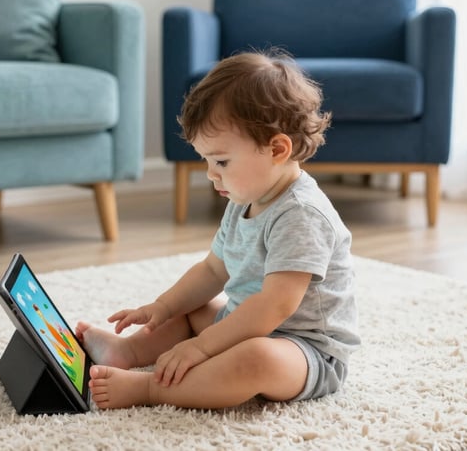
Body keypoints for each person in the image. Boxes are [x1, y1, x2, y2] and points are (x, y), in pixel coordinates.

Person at [75, 50, 360, 410]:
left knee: (256, 359)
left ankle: (151, 390)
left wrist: (201, 346)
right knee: (192, 308)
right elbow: (213, 269)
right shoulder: (244, 199)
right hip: (246, 322)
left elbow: (275, 306)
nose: (211, 174)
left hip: (305, 350)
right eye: (206, 161)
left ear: (276, 148)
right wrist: (162, 306)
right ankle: (127, 351)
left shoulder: (302, 215)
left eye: (221, 161)